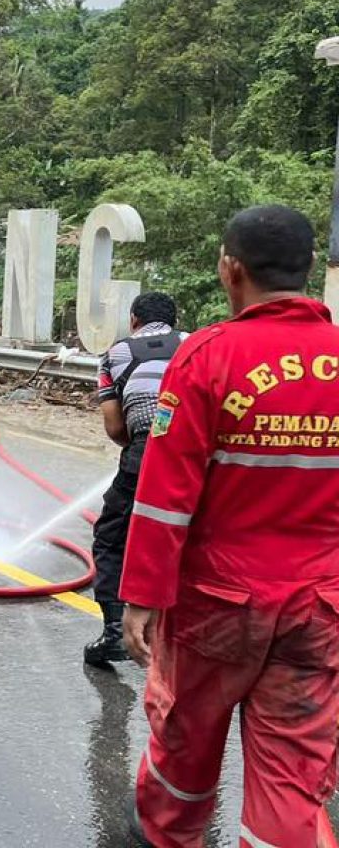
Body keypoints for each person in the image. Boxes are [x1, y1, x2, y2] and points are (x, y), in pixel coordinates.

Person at [121, 205, 339, 848]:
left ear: (230, 269)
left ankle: (172, 838)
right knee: (293, 776)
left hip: (218, 603)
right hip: (321, 607)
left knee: (185, 747)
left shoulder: (208, 357)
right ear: (305, 269)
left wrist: (141, 598)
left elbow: (164, 500)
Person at [84, 292, 183, 666]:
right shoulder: (196, 344)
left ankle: (113, 632)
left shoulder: (115, 354)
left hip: (146, 449)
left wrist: (141, 444)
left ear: (133, 321)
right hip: (199, 450)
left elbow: (115, 427)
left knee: (112, 535)